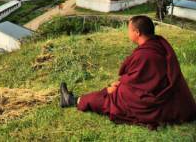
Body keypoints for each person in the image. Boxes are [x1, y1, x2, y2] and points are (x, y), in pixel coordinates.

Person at [60, 15, 196, 129]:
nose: (127, 33)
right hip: (162, 91)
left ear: (137, 33)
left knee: (111, 98)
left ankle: (72, 100)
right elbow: (141, 77)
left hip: (152, 98)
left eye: (129, 30)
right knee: (113, 89)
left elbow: (136, 82)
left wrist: (118, 86)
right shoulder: (158, 43)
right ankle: (77, 98)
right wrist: (121, 82)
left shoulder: (146, 54)